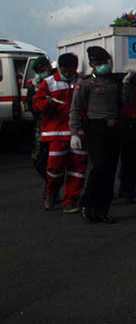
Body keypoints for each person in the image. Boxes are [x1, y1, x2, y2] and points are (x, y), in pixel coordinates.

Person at [70, 46, 133, 223]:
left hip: (113, 128)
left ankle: (101, 210)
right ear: (91, 63)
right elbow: (75, 108)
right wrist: (74, 132)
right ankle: (86, 203)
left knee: (110, 169)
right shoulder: (86, 83)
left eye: (104, 62)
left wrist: (127, 83)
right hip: (95, 128)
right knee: (99, 167)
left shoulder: (116, 81)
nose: (101, 65)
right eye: (97, 62)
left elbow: (126, 102)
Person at [33, 53, 85, 213]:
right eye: (64, 69)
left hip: (79, 133)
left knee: (78, 169)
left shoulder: (82, 82)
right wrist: (48, 104)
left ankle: (70, 201)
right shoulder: (49, 83)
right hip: (56, 134)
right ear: (59, 68)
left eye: (70, 69)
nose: (67, 72)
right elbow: (36, 104)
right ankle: (51, 194)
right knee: (54, 169)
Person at [25, 55, 52, 194]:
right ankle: (50, 184)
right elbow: (29, 105)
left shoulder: (56, 80)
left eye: (42, 69)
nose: (41, 72)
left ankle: (51, 190)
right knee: (39, 160)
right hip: (41, 126)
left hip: (56, 125)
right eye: (38, 70)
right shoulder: (34, 85)